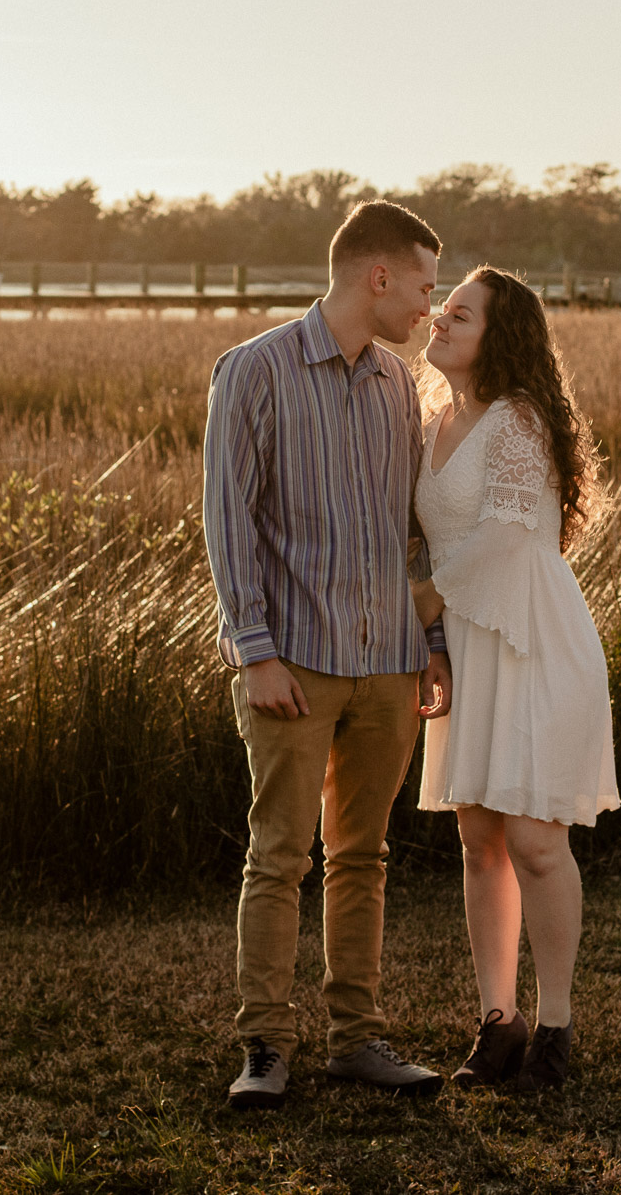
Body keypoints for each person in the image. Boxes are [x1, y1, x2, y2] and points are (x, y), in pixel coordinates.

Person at [203, 200, 453, 1109]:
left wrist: (430, 643)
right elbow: (229, 524)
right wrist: (256, 652)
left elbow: (413, 534)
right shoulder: (255, 371)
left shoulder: (399, 386)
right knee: (279, 854)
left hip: (388, 663)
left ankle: (358, 1037)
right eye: (426, 285)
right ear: (377, 276)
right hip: (294, 663)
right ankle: (264, 1046)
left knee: (363, 854)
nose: (433, 305)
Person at [410, 266, 620, 1092]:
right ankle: (498, 1023)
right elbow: (426, 543)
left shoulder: (520, 419)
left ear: (499, 335)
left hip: (533, 637)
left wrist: (421, 597)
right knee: (478, 838)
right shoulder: (430, 423)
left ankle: (558, 1027)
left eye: (460, 313)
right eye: (441, 308)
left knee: (535, 840)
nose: (440, 319)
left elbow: (503, 537)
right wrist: (430, 636)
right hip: (466, 643)